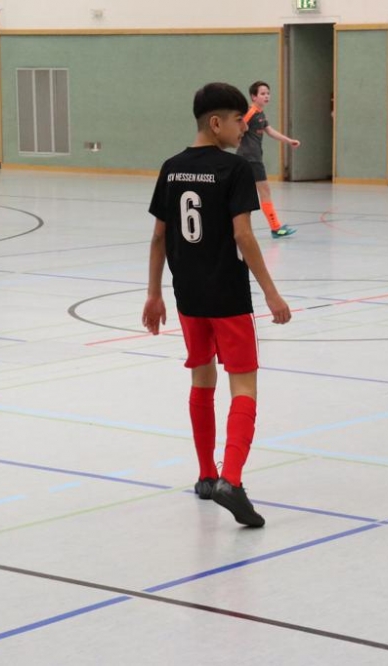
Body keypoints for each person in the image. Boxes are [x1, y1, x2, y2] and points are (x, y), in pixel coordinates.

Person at [142, 82, 292, 527]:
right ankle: (232, 480)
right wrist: (271, 292)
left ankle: (207, 475)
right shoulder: (235, 169)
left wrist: (154, 293)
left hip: (188, 297)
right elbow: (243, 235)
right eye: (236, 122)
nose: (242, 130)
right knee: (244, 386)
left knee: (201, 378)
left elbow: (158, 237)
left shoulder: (171, 169)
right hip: (227, 295)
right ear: (215, 123)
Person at [237, 80, 301, 238]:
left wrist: (289, 141)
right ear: (254, 96)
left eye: (268, 93)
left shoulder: (260, 114)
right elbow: (238, 126)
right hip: (250, 158)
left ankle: (274, 227)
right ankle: (276, 228)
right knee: (264, 191)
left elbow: (270, 131)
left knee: (240, 193)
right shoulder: (251, 112)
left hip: (250, 157)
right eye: (262, 93)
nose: (266, 96)